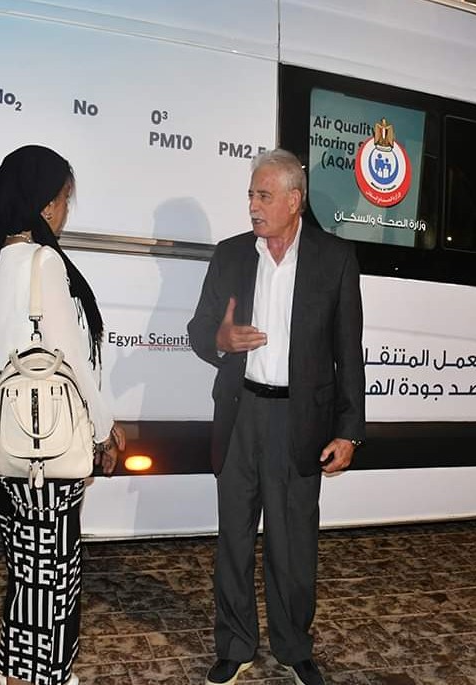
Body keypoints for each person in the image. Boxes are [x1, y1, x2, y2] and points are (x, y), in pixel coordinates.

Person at [187, 149, 365, 685]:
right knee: (234, 540)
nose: (253, 206)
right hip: (240, 414)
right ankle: (235, 644)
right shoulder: (231, 255)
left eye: (263, 196)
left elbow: (348, 351)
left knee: (294, 546)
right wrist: (220, 339)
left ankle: (293, 646)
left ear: (294, 200)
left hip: (299, 421)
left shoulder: (334, 258)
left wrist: (348, 431)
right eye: (250, 195)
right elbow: (198, 329)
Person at [0, 145, 124, 685]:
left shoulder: (1, 257)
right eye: (64, 199)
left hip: (12, 443)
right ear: (45, 203)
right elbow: (69, 358)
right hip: (47, 443)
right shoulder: (42, 261)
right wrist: (104, 428)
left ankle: (20, 672)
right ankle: (47, 676)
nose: (65, 210)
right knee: (52, 573)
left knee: (28, 570)